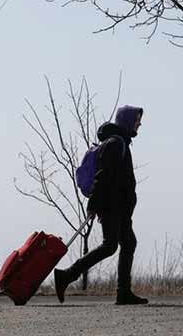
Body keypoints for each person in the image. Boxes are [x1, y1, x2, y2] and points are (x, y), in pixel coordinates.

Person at [54, 105, 148, 305]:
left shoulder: (119, 142)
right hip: (113, 206)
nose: (139, 123)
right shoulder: (115, 143)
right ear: (127, 121)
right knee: (110, 246)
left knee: (127, 243)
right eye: (136, 119)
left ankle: (123, 292)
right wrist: (94, 204)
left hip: (120, 207)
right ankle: (66, 276)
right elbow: (103, 176)